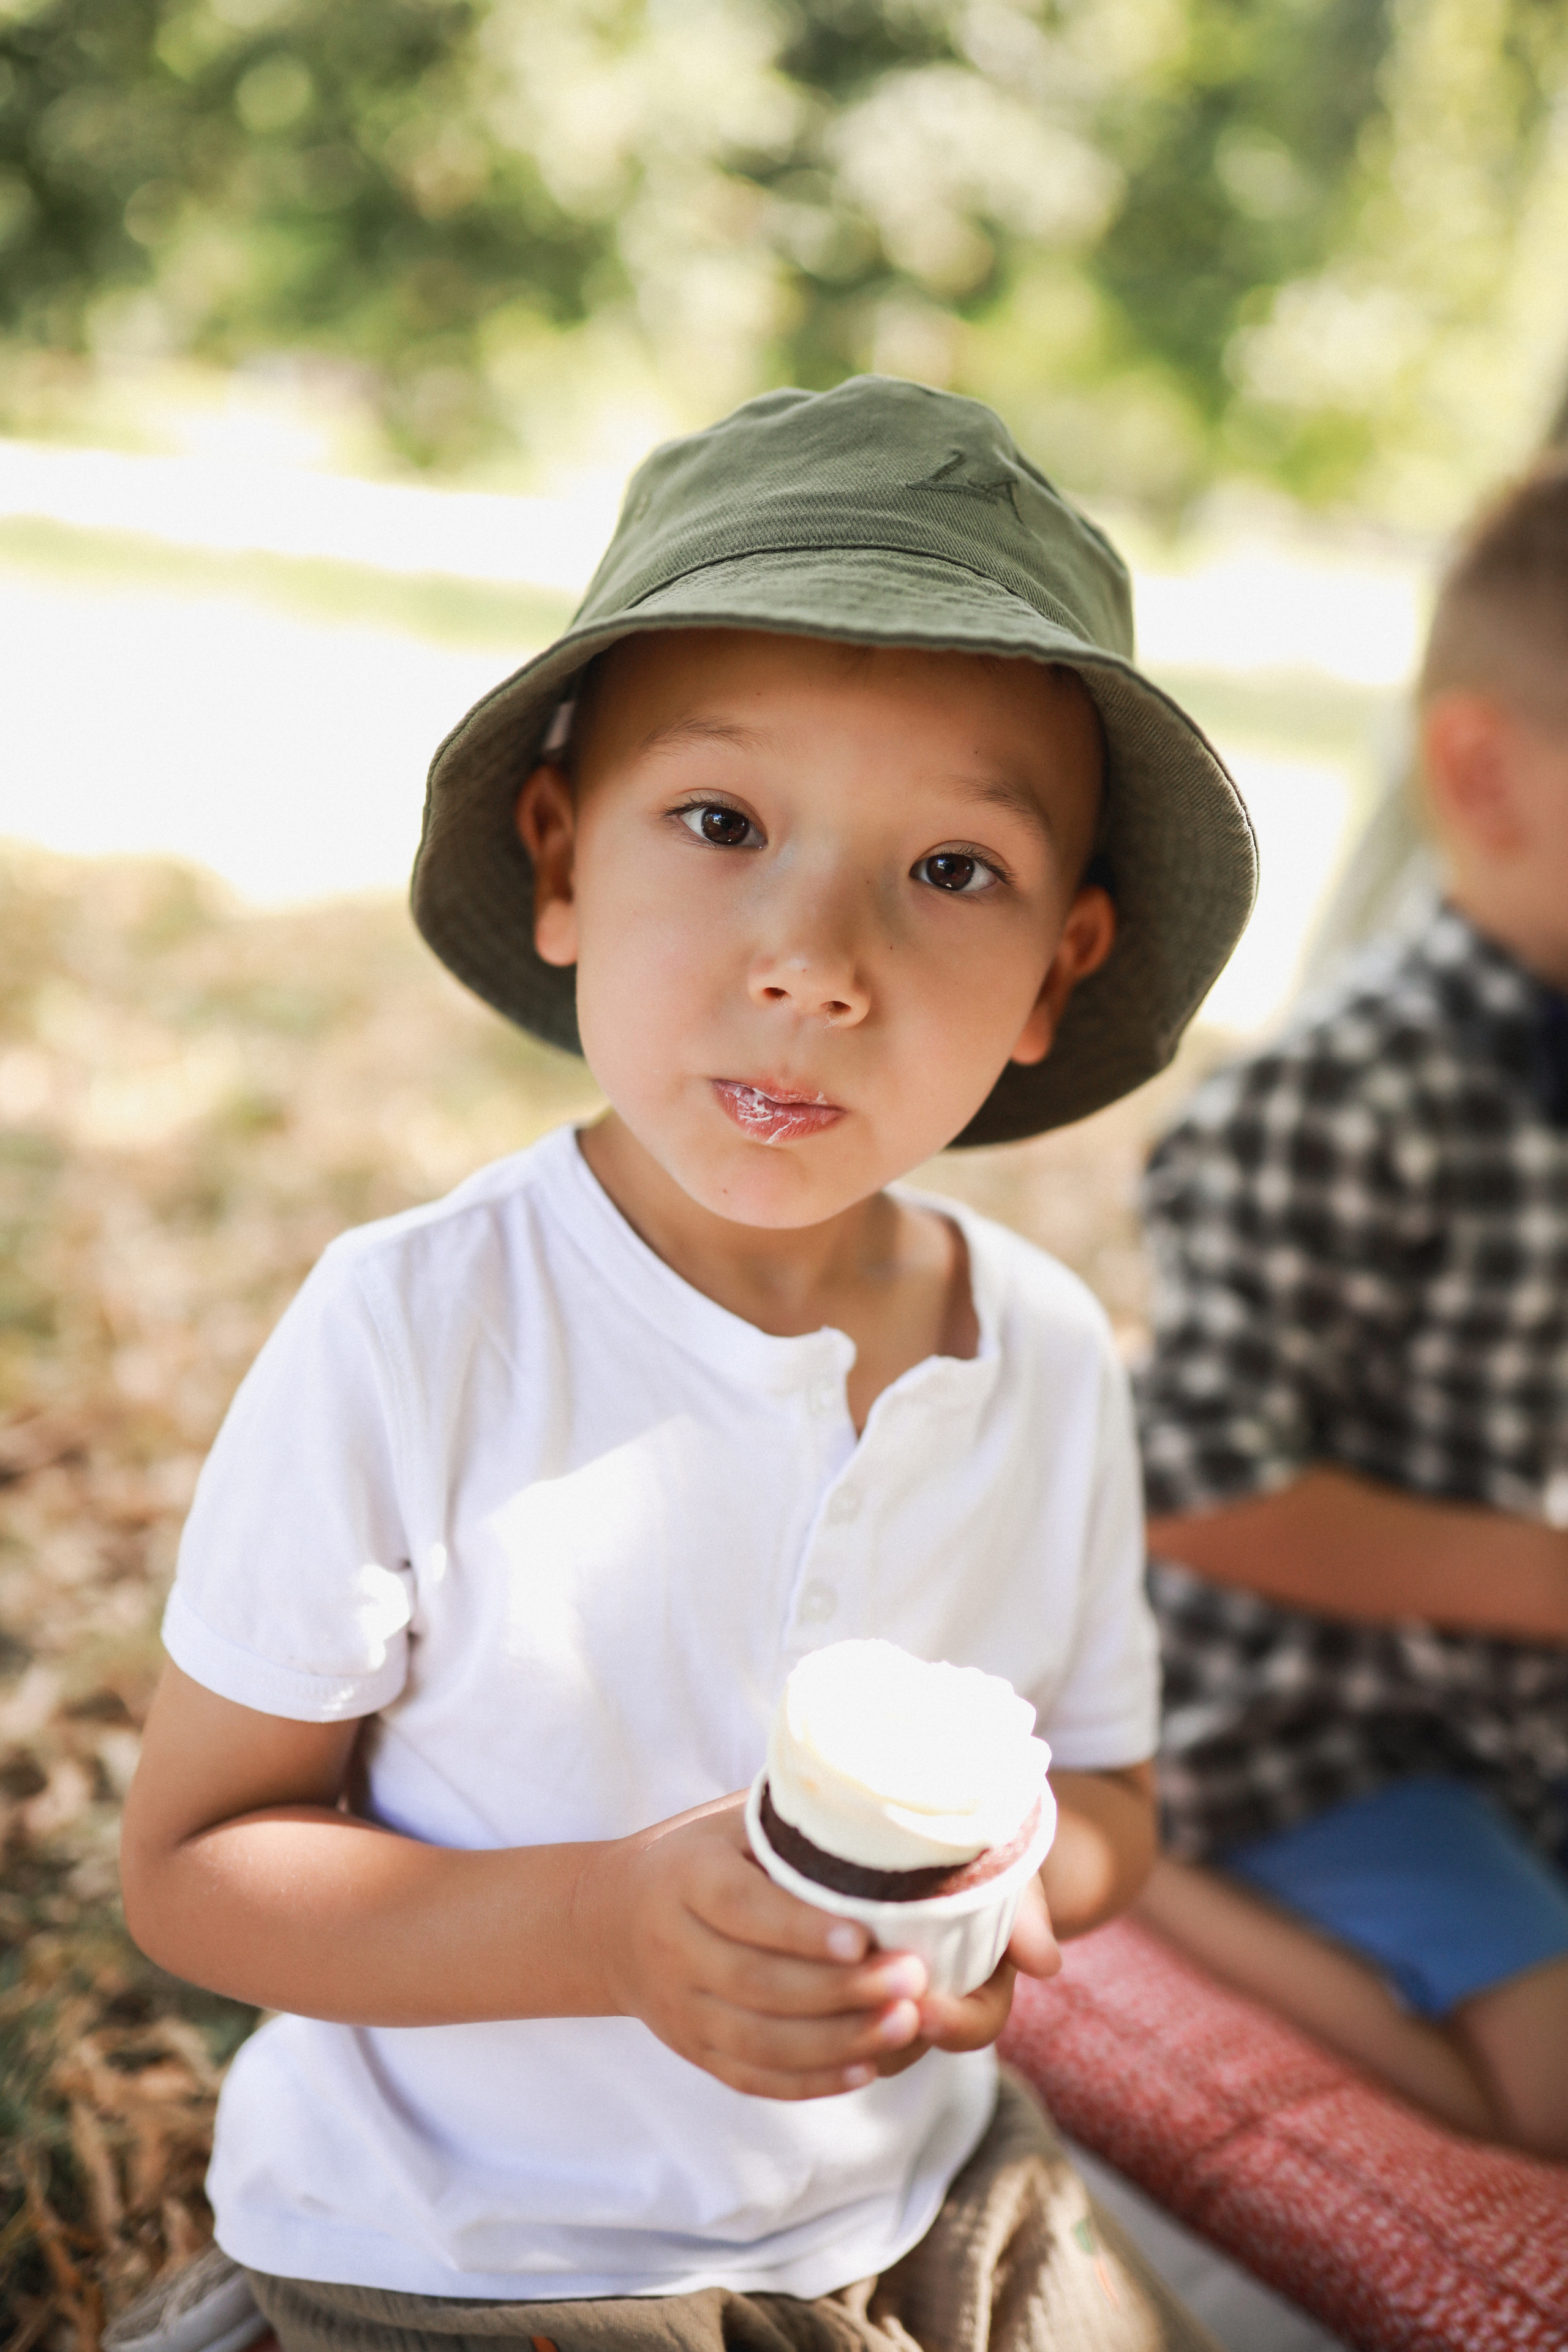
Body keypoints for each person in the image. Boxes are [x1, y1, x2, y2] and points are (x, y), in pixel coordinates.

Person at [117, 376, 1255, 2352]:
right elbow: (197, 1866)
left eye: (953, 870)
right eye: (720, 822)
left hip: (921, 2185)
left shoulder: (1048, 1358)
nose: (815, 957)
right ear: (561, 858)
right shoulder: (421, 1330)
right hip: (476, 2258)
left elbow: (1107, 1794)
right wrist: (603, 1923)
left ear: (1063, 969)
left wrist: (993, 1905)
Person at [1132, 460, 1568, 2160]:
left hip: (1512, 1708)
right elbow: (1195, 1482)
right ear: (1486, 772)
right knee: (1553, 2092)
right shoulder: (1346, 1097)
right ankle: (1132, 1869)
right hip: (1318, 1727)